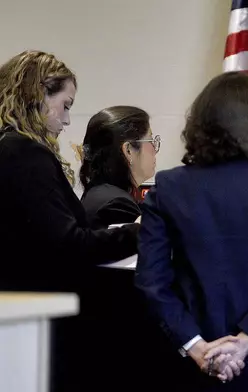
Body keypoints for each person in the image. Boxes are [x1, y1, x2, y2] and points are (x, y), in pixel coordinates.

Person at [135, 71, 248, 392]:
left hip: (191, 362)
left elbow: (152, 282)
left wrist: (196, 346)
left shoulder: (168, 187)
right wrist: (246, 340)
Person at [0, 50, 139, 392]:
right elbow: (68, 245)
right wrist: (141, 232)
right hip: (40, 314)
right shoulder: (25, 153)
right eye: (65, 105)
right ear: (38, 95)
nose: (66, 120)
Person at [79, 105, 159, 229]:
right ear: (128, 151)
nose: (155, 149)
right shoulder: (118, 205)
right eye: (150, 140)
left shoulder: (99, 193)